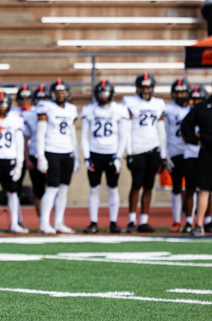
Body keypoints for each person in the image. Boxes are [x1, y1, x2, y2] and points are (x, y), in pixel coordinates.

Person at [80, 80, 128, 234]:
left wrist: (118, 156)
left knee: (112, 189)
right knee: (94, 189)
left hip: (112, 154)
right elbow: (84, 136)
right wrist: (87, 157)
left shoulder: (119, 110)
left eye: (105, 92)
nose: (103, 95)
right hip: (95, 153)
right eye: (100, 92)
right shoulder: (90, 110)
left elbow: (123, 136)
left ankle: (113, 222)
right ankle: (93, 222)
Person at [122, 73, 168, 233]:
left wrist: (163, 155)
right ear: (138, 88)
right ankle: (131, 220)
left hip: (154, 148)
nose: (145, 90)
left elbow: (161, 130)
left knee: (149, 186)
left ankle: (144, 221)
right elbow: (127, 129)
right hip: (137, 149)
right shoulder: (130, 102)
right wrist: (129, 152)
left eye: (148, 87)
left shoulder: (159, 103)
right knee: (136, 185)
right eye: (143, 87)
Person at [35, 79, 80, 235]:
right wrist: (41, 156)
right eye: (57, 93)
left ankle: (58, 222)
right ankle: (44, 223)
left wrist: (77, 156)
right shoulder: (46, 107)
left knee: (63, 189)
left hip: (67, 152)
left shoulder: (72, 109)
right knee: (52, 187)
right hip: (51, 150)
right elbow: (40, 134)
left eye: (63, 92)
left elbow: (73, 135)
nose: (60, 95)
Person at [0, 91, 26, 234]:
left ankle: (14, 223)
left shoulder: (15, 118)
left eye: (4, 105)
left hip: (9, 159)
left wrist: (19, 164)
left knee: (12, 193)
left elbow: (20, 142)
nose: (1, 108)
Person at [163, 78, 193, 232]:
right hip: (174, 151)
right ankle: (176, 221)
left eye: (182, 92)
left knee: (191, 187)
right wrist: (165, 153)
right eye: (177, 92)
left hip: (190, 152)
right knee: (176, 187)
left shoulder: (194, 109)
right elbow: (164, 132)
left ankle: (189, 221)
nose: (180, 95)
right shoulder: (167, 109)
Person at [182, 83, 212, 236]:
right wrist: (194, 140)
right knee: (204, 189)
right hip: (207, 152)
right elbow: (186, 125)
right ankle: (199, 224)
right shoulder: (202, 107)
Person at [8, 82, 38, 230]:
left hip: (34, 153)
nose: (25, 102)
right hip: (16, 153)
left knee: (39, 189)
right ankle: (17, 220)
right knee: (15, 189)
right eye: (22, 98)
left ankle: (43, 221)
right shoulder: (12, 112)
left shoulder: (37, 112)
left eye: (27, 99)